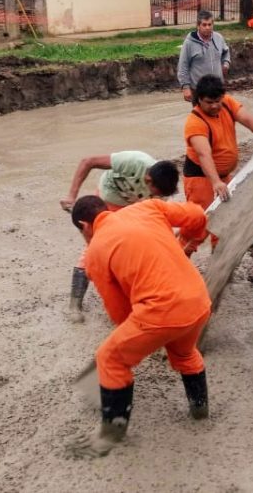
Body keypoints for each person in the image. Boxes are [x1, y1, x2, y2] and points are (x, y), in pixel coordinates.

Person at [69, 195, 212, 458]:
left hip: (161, 312)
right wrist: (191, 239)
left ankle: (109, 436)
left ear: (84, 225)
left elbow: (119, 312)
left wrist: (137, 345)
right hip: (199, 301)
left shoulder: (95, 252)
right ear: (106, 209)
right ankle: (200, 411)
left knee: (109, 359)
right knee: (184, 353)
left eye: (82, 233)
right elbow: (197, 214)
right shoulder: (147, 207)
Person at [59, 153, 180, 322]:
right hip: (107, 201)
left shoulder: (162, 189)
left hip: (133, 207)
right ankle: (75, 304)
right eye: (155, 192)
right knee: (94, 248)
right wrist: (71, 196)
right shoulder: (133, 161)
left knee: (131, 248)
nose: (157, 195)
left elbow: (158, 214)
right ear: (148, 179)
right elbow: (88, 161)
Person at [182, 74, 253, 254]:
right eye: (210, 102)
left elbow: (247, 118)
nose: (215, 105)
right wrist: (216, 182)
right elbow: (204, 155)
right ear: (199, 99)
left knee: (225, 221)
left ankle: (220, 257)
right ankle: (177, 260)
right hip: (201, 179)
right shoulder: (195, 122)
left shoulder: (226, 103)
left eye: (217, 100)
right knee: (199, 227)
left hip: (223, 176)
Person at [177, 10, 230, 103]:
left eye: (210, 24)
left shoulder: (218, 38)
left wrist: (226, 63)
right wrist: (185, 87)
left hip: (217, 88)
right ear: (198, 26)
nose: (207, 27)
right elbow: (183, 66)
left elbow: (226, 52)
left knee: (218, 114)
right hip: (199, 90)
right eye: (204, 25)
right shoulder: (189, 43)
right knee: (201, 117)